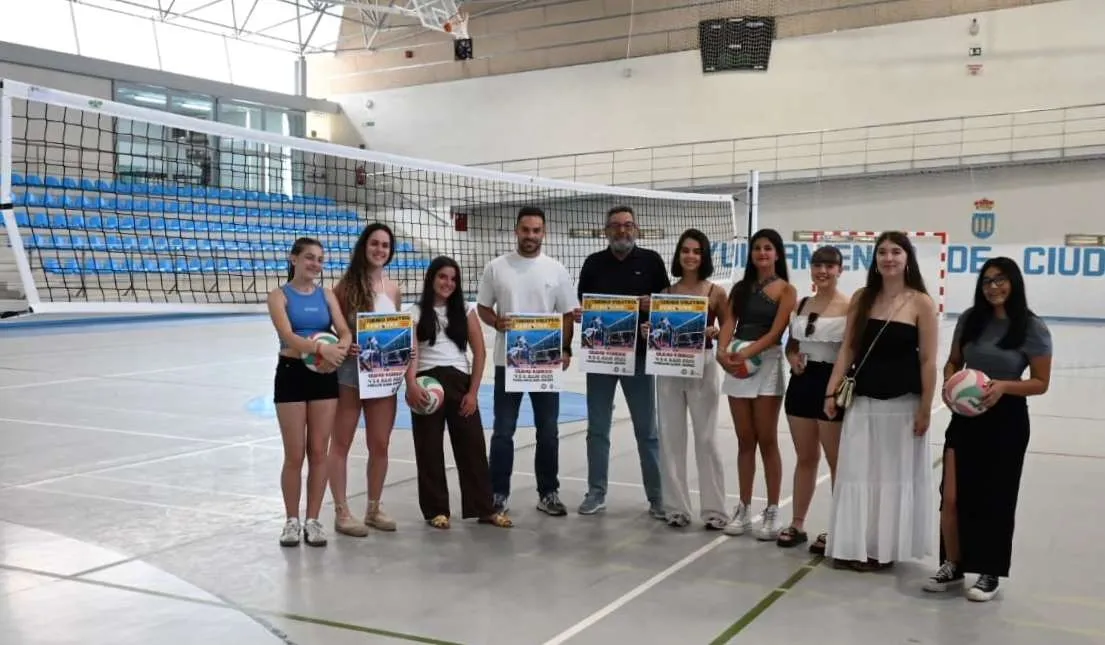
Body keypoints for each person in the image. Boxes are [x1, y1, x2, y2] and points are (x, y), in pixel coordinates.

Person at [923, 257, 1052, 601]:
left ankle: (989, 571)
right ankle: (952, 565)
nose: (993, 287)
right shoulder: (970, 319)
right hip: (966, 415)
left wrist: (1004, 386)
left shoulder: (1031, 327)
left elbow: (1041, 382)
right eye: (987, 281)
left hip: (1006, 418)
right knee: (951, 496)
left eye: (1000, 280)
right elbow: (954, 361)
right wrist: (950, 382)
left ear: (1014, 283)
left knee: (996, 497)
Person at [823, 231, 939, 571]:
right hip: (863, 400)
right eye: (882, 252)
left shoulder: (921, 303)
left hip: (902, 404)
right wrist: (831, 391)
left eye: (896, 252)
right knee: (857, 472)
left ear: (907, 258)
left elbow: (928, 361)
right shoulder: (862, 298)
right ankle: (852, 545)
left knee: (890, 477)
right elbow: (848, 349)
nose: (889, 258)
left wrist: (925, 408)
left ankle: (880, 549)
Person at [477, 206, 578, 516]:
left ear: (543, 233)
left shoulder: (556, 270)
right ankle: (497, 493)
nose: (530, 235)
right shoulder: (496, 267)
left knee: (548, 430)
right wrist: (496, 322)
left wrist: (566, 349)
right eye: (525, 229)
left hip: (545, 364)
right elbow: (483, 308)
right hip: (507, 364)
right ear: (516, 231)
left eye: (536, 230)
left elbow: (567, 314)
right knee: (503, 430)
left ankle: (548, 492)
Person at [574, 205, 669, 518]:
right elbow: (584, 304)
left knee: (647, 431)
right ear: (606, 231)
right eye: (615, 225)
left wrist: (654, 304)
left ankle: (657, 498)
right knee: (597, 429)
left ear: (636, 228)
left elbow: (667, 304)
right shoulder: (593, 263)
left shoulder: (651, 261)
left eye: (628, 224)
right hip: (601, 358)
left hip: (639, 358)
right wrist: (581, 315)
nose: (622, 230)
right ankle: (596, 493)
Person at [404, 256, 513, 529]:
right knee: (428, 448)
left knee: (472, 447)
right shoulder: (415, 312)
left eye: (453, 279)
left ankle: (484, 509)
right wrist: (411, 385)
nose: (448, 283)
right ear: (431, 278)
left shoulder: (465, 310)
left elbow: (480, 352)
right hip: (427, 384)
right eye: (442, 277)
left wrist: (473, 393)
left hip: (459, 382)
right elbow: (411, 353)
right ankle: (436, 511)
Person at [266, 237, 350, 547]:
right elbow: (287, 336)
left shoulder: (326, 295)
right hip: (291, 373)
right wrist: (320, 349)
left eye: (320, 259)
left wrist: (339, 349)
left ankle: (313, 520)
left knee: (318, 452)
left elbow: (344, 331)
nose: (316, 264)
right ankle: (291, 520)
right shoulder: (278, 296)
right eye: (309, 258)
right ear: (294, 259)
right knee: (294, 454)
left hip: (324, 375)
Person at [716, 228, 796, 539]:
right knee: (745, 440)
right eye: (757, 248)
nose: (762, 253)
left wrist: (747, 353)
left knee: (767, 439)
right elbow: (729, 323)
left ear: (777, 254)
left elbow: (776, 333)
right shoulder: (740, 288)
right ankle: (744, 508)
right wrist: (722, 353)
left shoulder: (786, 290)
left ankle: (772, 510)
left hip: (767, 364)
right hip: (737, 364)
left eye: (768, 248)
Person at [328, 223, 402, 535]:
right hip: (349, 374)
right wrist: (344, 345)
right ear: (364, 246)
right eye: (374, 243)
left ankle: (374, 507)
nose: (379, 250)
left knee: (380, 444)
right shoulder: (345, 287)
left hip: (382, 376)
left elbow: (395, 329)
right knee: (341, 443)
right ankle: (342, 511)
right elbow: (332, 331)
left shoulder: (393, 288)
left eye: (385, 245)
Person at [651, 228, 728, 529]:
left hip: (703, 367)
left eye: (697, 251)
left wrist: (717, 333)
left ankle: (715, 510)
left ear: (704, 256)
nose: (691, 256)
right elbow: (659, 331)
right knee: (671, 438)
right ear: (678, 254)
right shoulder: (665, 294)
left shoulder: (716, 293)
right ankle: (676, 509)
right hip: (669, 367)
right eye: (686, 250)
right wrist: (649, 332)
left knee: (706, 439)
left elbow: (728, 330)